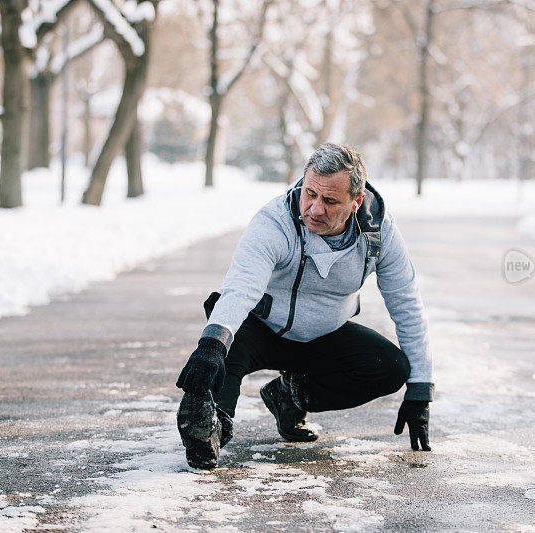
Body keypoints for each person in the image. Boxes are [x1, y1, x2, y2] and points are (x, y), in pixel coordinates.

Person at [175, 143, 434, 469]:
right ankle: (209, 422)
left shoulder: (378, 233)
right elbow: (241, 287)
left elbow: (406, 302)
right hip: (259, 332)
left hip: (324, 337)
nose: (314, 208)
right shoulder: (274, 222)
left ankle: (288, 395)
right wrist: (211, 344)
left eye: (329, 200)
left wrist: (420, 390)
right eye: (309, 193)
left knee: (391, 367)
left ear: (355, 203)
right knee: (212, 415)